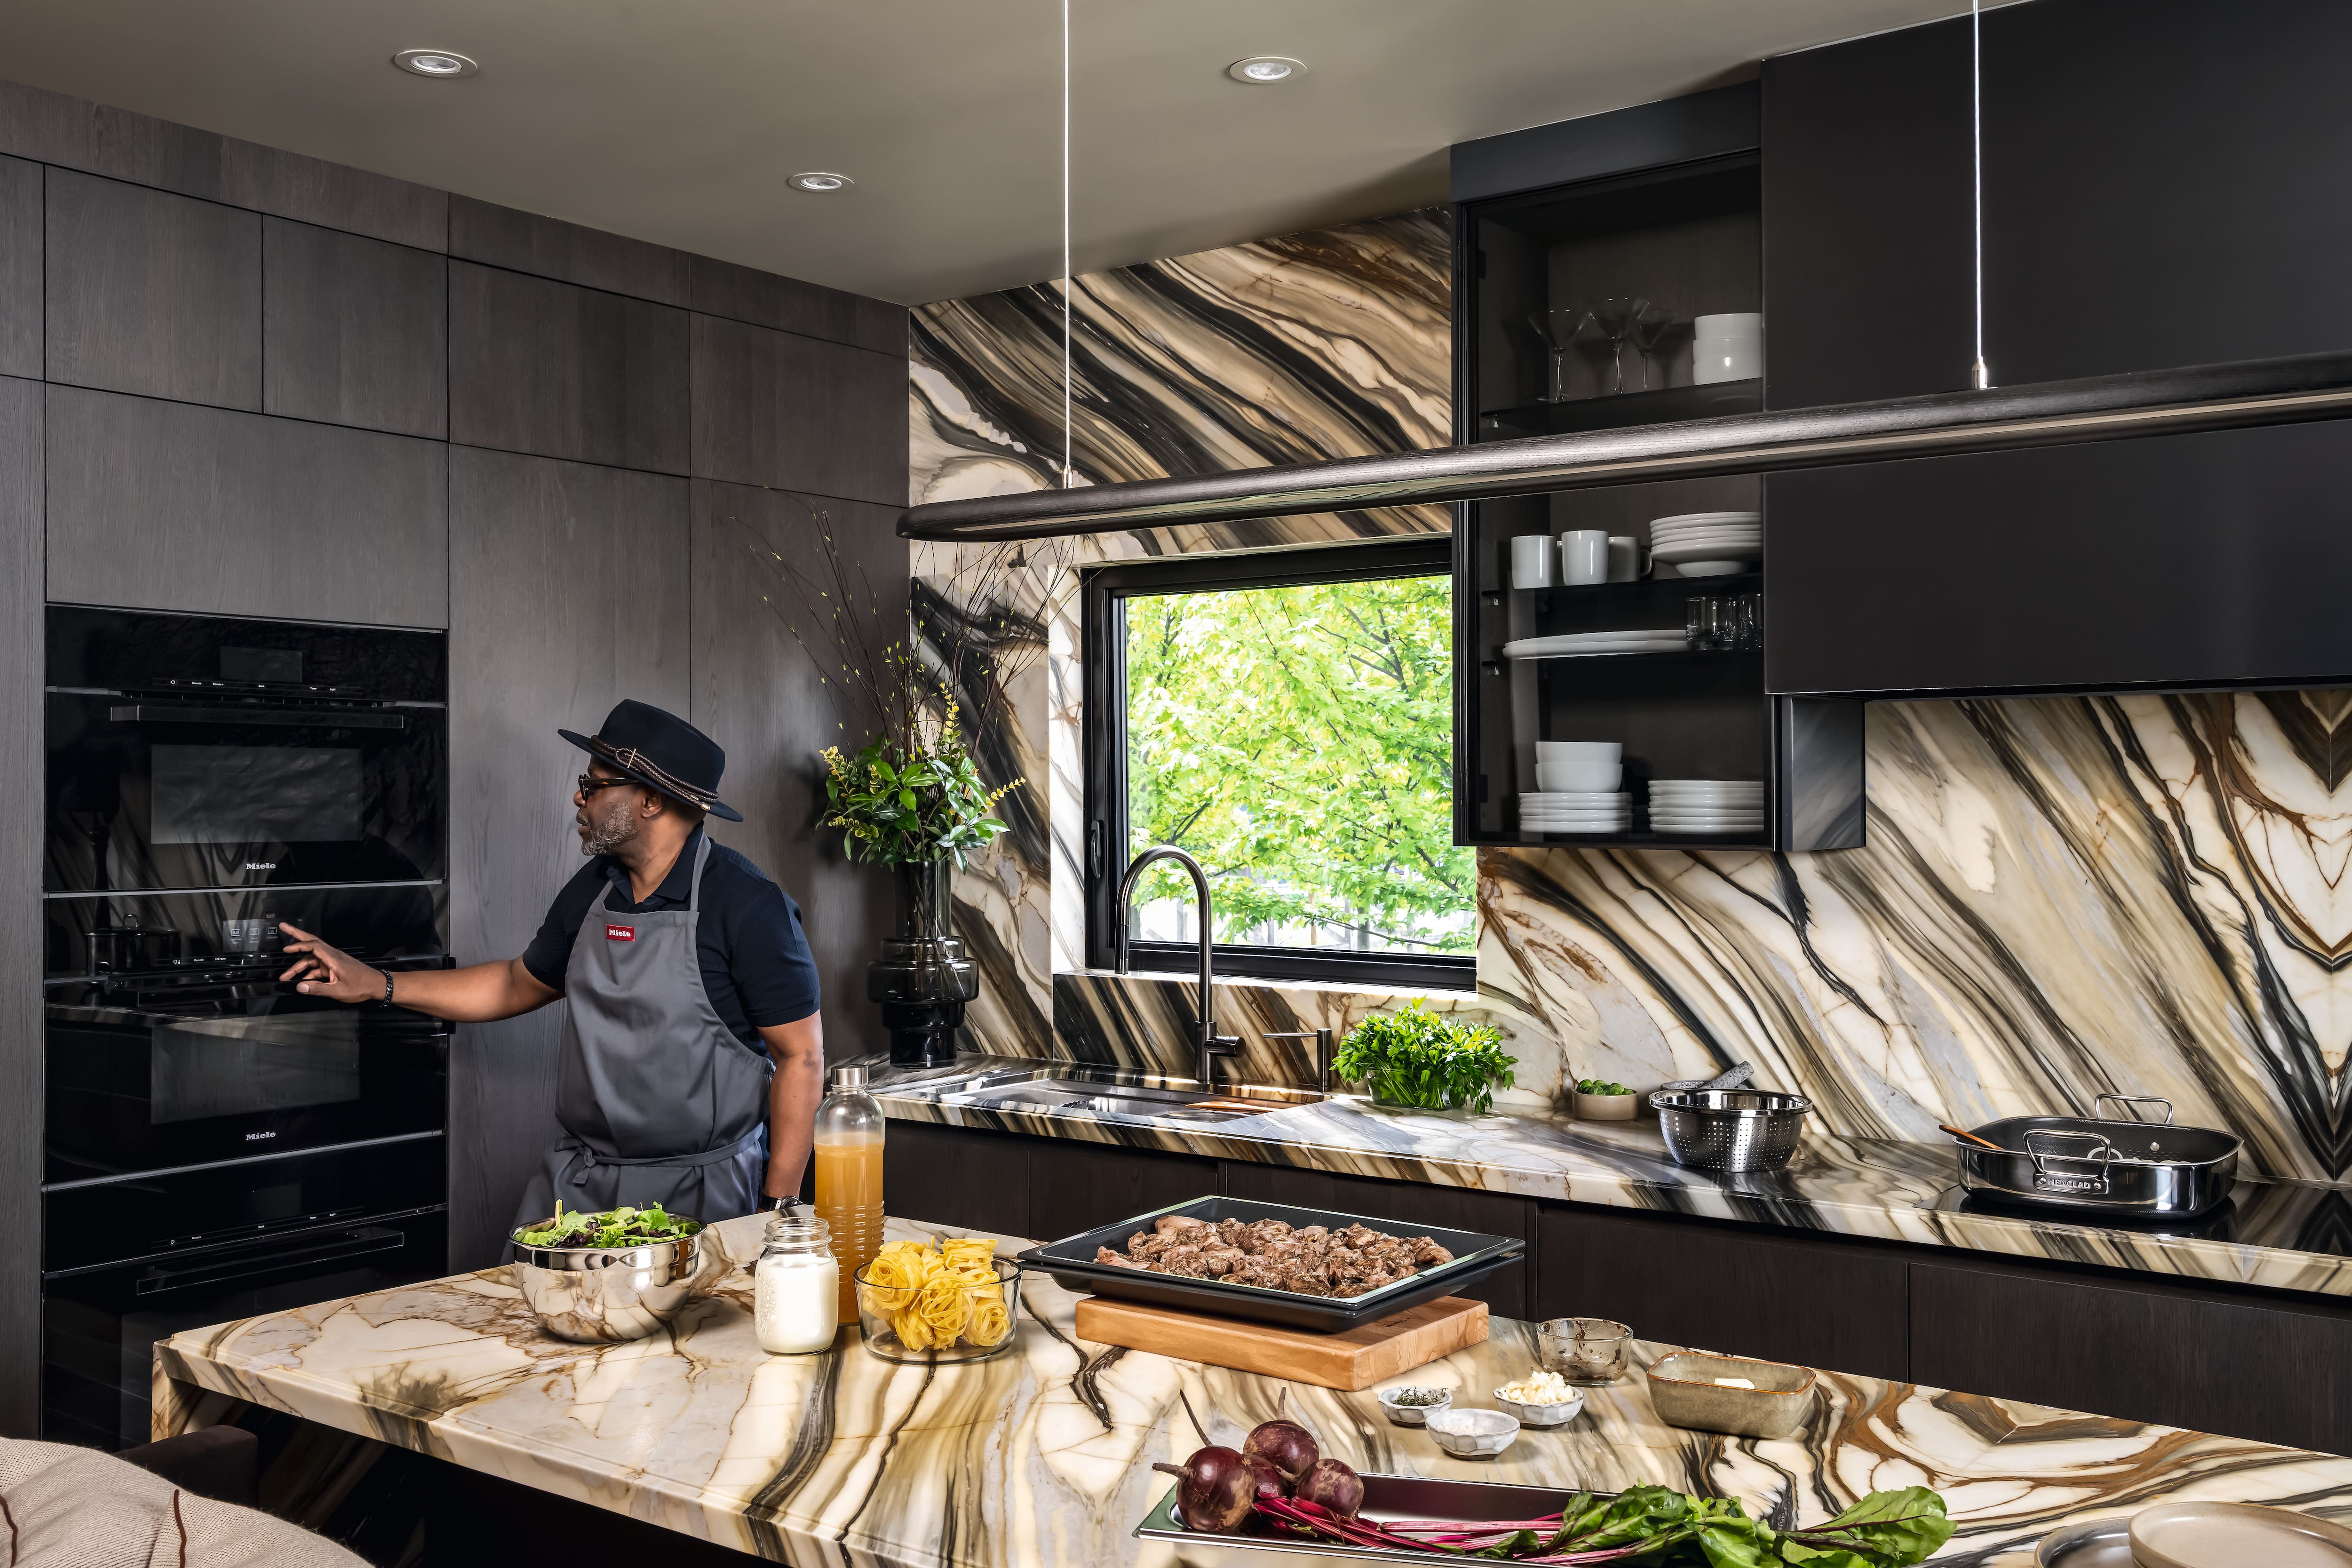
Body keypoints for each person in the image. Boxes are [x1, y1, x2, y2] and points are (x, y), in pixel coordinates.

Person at [277, 699, 825, 1234]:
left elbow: (800, 1057)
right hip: (583, 1191)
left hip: (706, 1199)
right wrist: (377, 983)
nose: (577, 798)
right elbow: (515, 984)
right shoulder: (591, 891)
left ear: (651, 801)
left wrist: (775, 1214)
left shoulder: (749, 906)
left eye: (593, 785)